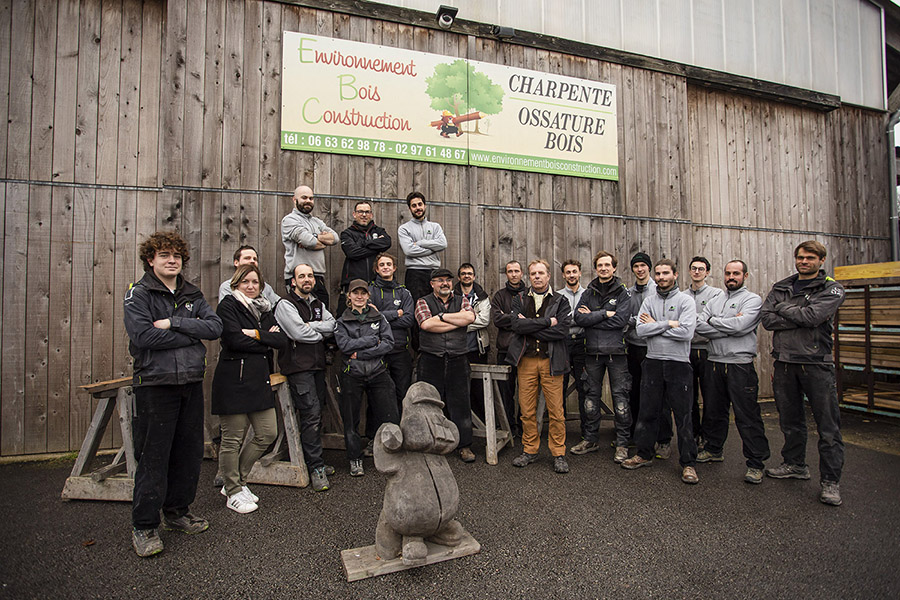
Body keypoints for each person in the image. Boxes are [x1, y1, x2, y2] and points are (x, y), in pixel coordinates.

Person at [123, 231, 223, 558]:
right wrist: (190, 333)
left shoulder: (191, 293)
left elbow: (214, 328)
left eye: (177, 256)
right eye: (164, 255)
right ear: (150, 259)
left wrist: (173, 322)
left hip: (190, 381)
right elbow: (143, 336)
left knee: (188, 452)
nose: (172, 261)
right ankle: (144, 525)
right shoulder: (139, 294)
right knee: (154, 456)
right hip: (156, 383)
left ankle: (177, 512)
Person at [761, 240, 846, 506]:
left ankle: (830, 481)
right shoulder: (782, 286)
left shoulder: (831, 288)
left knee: (827, 426)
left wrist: (784, 308)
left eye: (810, 258)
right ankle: (795, 464)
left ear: (821, 260)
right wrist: (799, 315)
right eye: (800, 257)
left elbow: (812, 317)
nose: (804, 261)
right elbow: (767, 319)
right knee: (790, 420)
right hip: (785, 362)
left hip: (816, 364)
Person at [211, 265, 288, 514]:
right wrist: (265, 338)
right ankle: (233, 490)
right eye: (245, 282)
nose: (251, 286)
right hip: (233, 381)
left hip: (258, 381)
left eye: (255, 282)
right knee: (232, 439)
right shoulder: (228, 306)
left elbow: (280, 340)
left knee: (267, 432)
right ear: (236, 284)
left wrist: (256, 334)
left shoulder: (264, 309)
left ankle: (238, 480)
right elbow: (233, 340)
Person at [621, 259, 699, 485]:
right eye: (659, 273)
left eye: (666, 273)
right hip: (653, 361)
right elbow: (641, 330)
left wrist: (656, 324)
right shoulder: (649, 301)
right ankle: (643, 454)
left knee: (683, 415)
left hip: (678, 363)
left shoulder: (686, 300)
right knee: (647, 411)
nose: (662, 277)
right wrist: (669, 324)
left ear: (675, 274)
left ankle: (688, 464)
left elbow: (687, 333)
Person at [695, 259, 770, 484]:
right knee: (714, 412)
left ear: (745, 276)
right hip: (714, 362)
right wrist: (728, 326)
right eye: (728, 273)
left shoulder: (752, 300)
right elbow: (699, 325)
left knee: (747, 415)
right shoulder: (715, 299)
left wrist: (715, 322)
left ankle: (755, 463)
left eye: (736, 273)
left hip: (740, 365)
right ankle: (713, 449)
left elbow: (741, 326)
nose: (731, 277)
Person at [274, 263, 336, 492]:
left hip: (317, 366)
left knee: (317, 413)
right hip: (298, 368)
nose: (307, 279)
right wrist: (318, 332)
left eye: (310, 276)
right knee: (310, 414)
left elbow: (333, 325)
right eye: (302, 276)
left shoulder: (318, 304)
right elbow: (298, 333)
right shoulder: (285, 304)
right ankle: (316, 467)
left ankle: (313, 461)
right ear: (294, 281)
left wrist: (310, 326)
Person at [506, 259, 572, 474]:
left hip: (551, 361)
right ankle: (530, 450)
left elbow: (561, 331)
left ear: (548, 276)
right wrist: (547, 322)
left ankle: (558, 453)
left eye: (541, 273)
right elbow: (516, 325)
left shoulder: (561, 301)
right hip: (526, 361)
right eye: (533, 273)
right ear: (529, 276)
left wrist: (528, 326)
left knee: (556, 411)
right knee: (526, 410)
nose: (536, 276)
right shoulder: (519, 298)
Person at [334, 279, 399, 477]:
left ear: (368, 296)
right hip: (352, 374)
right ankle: (355, 459)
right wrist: (371, 340)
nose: (360, 296)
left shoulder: (379, 318)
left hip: (378, 372)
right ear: (349, 296)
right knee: (351, 419)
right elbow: (344, 346)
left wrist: (361, 353)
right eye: (356, 293)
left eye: (363, 293)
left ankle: (390, 455)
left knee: (390, 416)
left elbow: (388, 343)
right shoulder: (342, 321)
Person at [572, 251, 633, 463]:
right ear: (596, 268)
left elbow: (622, 320)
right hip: (592, 353)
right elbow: (579, 318)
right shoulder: (589, 292)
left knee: (621, 401)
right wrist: (605, 313)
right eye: (600, 265)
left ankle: (623, 443)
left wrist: (592, 317)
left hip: (617, 353)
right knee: (590, 399)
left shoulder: (623, 292)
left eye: (607, 265)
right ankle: (590, 439)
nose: (604, 268)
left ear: (614, 268)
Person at [415, 268, 477, 463]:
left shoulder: (462, 299)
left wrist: (440, 317)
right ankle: (430, 445)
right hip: (431, 358)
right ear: (432, 284)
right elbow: (426, 324)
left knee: (461, 404)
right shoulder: (423, 301)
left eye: (448, 280)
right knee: (429, 403)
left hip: (458, 358)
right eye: (440, 280)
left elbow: (470, 318)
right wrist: (456, 321)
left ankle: (464, 446)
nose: (445, 283)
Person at [624, 252, 672, 454]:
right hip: (633, 346)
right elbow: (625, 318)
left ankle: (664, 439)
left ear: (649, 268)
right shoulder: (628, 292)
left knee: (658, 395)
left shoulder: (657, 289)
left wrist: (640, 321)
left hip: (653, 347)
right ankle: (637, 434)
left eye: (643, 265)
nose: (640, 269)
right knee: (634, 392)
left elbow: (662, 319)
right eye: (636, 266)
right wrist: (639, 320)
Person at [368, 253, 416, 410]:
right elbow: (369, 319)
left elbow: (408, 320)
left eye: (388, 264)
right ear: (376, 269)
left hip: (400, 350)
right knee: (377, 397)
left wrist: (380, 316)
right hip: (377, 351)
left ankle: (403, 425)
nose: (385, 267)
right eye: (381, 265)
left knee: (402, 395)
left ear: (394, 268)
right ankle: (376, 427)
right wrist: (396, 313)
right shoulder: (369, 291)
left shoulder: (404, 292)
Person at [686, 256, 724, 445]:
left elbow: (717, 321)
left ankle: (708, 438)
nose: (697, 272)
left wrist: (691, 319)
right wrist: (702, 319)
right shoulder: (682, 295)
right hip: (687, 350)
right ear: (689, 271)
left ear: (707, 272)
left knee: (711, 396)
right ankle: (693, 434)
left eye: (701, 269)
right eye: (694, 268)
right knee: (689, 397)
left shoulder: (717, 295)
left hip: (708, 351)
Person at [281, 184, 337, 307]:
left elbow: (335, 238)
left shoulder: (317, 222)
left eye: (311, 198)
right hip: (297, 277)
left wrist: (314, 237)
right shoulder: (289, 220)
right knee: (302, 312)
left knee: (322, 312)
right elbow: (309, 241)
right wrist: (321, 241)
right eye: (304, 197)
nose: (308, 201)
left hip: (318, 277)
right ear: (294, 199)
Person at [491, 260, 526, 436]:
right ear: (506, 274)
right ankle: (508, 427)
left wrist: (510, 318)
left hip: (526, 350)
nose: (513, 274)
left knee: (526, 391)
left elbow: (533, 320)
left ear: (521, 273)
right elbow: (497, 319)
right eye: (510, 271)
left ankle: (523, 427)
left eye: (516, 271)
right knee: (506, 391)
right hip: (505, 350)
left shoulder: (529, 294)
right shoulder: (499, 296)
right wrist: (518, 318)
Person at [454, 263, 491, 419]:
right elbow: (448, 316)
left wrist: (460, 323)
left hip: (478, 349)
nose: (466, 276)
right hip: (457, 349)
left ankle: (482, 421)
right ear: (459, 277)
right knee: (459, 388)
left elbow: (484, 320)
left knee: (478, 389)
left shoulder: (482, 296)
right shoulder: (451, 295)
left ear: (474, 276)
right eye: (463, 273)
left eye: (469, 273)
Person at [338, 201, 392, 309]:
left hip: (375, 284)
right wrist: (376, 247)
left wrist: (363, 243)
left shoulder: (379, 231)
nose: (364, 215)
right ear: (354, 214)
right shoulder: (347, 233)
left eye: (367, 212)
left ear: (371, 214)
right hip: (352, 284)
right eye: (360, 212)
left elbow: (387, 242)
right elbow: (352, 252)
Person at [398, 192, 447, 301]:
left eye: (420, 204)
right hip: (415, 273)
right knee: (417, 306)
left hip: (434, 272)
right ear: (410, 208)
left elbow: (443, 244)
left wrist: (420, 243)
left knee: (436, 306)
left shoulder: (435, 227)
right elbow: (409, 250)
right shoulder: (404, 228)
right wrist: (433, 249)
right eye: (414, 205)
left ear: (425, 205)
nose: (417, 208)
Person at [557, 260, 587, 442]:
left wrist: (571, 318)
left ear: (580, 273)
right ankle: (560, 430)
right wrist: (580, 316)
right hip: (564, 342)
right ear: (563, 275)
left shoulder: (588, 294)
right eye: (568, 272)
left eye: (574, 271)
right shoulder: (558, 296)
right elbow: (559, 320)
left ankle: (586, 431)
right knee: (560, 386)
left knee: (585, 386)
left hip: (583, 343)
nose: (571, 275)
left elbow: (590, 319)